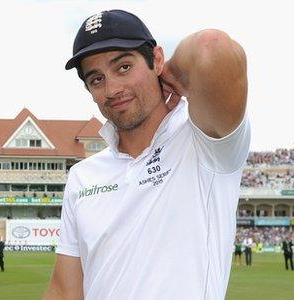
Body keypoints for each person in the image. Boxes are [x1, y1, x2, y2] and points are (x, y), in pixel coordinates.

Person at [44, 9, 249, 299]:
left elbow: (211, 47)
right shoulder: (82, 176)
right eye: (96, 79)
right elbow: (64, 291)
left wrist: (174, 73)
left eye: (124, 67)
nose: (112, 89)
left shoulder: (204, 141)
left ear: (156, 60)